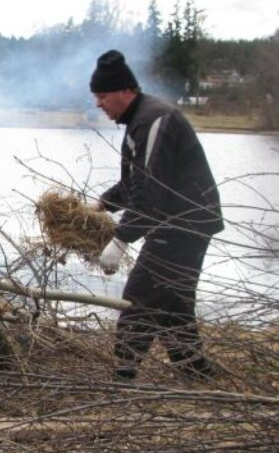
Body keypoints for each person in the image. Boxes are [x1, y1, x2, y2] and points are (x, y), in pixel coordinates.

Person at [89, 49, 224, 382]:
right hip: (182, 220)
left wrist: (120, 240)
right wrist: (102, 204)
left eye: (103, 96)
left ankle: (123, 372)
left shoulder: (154, 120)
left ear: (126, 91)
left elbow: (149, 191)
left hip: (183, 221)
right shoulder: (141, 120)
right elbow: (134, 182)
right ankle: (194, 369)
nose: (98, 104)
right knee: (174, 300)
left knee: (141, 295)